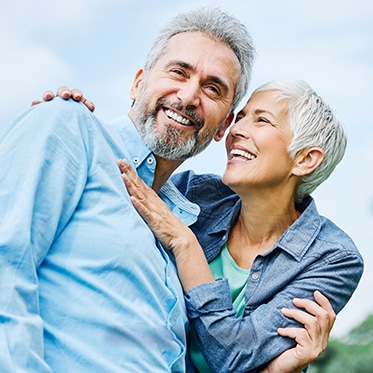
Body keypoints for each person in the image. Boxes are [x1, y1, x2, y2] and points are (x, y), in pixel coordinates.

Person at [0, 7, 254, 373]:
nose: (188, 96)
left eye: (213, 88)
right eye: (178, 72)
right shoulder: (69, 125)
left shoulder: (181, 229)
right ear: (138, 83)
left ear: (223, 126)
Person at [118, 79, 364, 372]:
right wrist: (71, 117)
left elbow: (234, 355)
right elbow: (110, 185)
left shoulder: (332, 258)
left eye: (261, 120)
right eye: (241, 116)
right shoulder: (195, 194)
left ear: (305, 159)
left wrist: (184, 244)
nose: (235, 130)